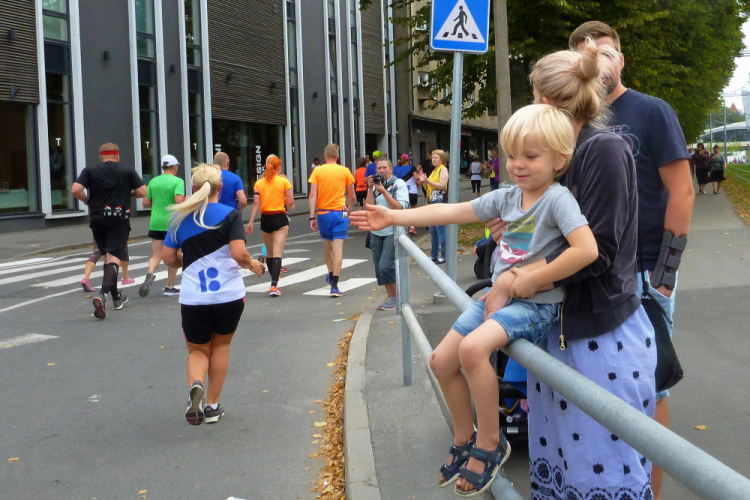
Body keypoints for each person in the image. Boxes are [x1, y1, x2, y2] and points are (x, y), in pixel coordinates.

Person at [353, 105, 599, 496]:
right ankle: (464, 436)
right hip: (496, 300)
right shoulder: (507, 197)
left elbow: (586, 250)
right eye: (511, 156)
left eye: (530, 156)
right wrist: (394, 218)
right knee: (440, 361)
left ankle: (490, 441)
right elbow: (451, 211)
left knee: (472, 350)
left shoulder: (558, 200)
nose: (518, 165)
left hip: (535, 306)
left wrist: (531, 278)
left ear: (559, 159)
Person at [481, 42, 657, 498]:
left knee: (602, 469)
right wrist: (512, 237)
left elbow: (599, 251)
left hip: (599, 337)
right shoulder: (559, 154)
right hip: (563, 329)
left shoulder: (602, 150)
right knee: (568, 467)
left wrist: (517, 279)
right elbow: (548, 238)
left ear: (543, 99)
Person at [570, 22, 695, 499]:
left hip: (643, 273)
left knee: (650, 387)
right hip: (585, 273)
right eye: (585, 54)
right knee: (597, 388)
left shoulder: (650, 111)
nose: (597, 62)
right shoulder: (569, 118)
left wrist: (665, 275)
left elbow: (682, 191)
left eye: (605, 52)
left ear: (621, 60)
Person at [162, 164, 265, 426]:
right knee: (221, 345)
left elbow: (169, 259)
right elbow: (239, 254)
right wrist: (251, 263)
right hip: (228, 296)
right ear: (220, 188)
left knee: (197, 349)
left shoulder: (179, 217)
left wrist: (189, 257)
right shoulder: (230, 215)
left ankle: (196, 385)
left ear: (193, 188)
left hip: (194, 297)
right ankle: (211, 406)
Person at [71, 143, 146, 319]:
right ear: (117, 156)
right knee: (114, 259)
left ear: (100, 156)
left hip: (97, 218)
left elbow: (75, 189)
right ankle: (102, 295)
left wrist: (88, 201)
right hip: (119, 219)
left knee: (107, 257)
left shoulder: (90, 170)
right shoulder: (127, 170)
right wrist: (129, 194)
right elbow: (143, 192)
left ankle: (117, 298)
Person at [308, 144, 356, 297]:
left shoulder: (317, 171)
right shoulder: (345, 171)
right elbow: (352, 196)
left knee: (327, 248)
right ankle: (334, 285)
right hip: (341, 213)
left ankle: (330, 275)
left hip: (324, 213)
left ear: (325, 156)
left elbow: (312, 194)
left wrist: (312, 216)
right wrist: (348, 210)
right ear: (337, 156)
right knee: (338, 249)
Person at [365, 157, 410, 311]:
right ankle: (392, 298)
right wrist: (370, 189)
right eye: (379, 168)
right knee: (379, 267)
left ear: (391, 169)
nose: (382, 171)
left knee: (386, 264)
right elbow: (369, 207)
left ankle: (397, 298)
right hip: (377, 230)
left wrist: (384, 192)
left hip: (393, 229)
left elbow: (400, 207)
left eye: (384, 167)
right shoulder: (375, 185)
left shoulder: (398, 184)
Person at [246, 155, 294, 297]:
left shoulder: (259, 183)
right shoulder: (284, 181)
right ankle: (274, 285)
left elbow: (256, 203)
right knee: (278, 252)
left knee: (270, 253)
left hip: (265, 218)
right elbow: (291, 202)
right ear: (279, 167)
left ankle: (274, 280)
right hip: (280, 217)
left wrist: (250, 222)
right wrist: (282, 198)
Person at [139, 154, 186, 297]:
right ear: (175, 167)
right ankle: (169, 286)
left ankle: (150, 273)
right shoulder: (178, 181)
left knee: (156, 255)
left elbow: (145, 203)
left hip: (156, 222)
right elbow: (178, 201)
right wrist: (188, 199)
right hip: (172, 223)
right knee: (173, 256)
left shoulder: (153, 181)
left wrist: (158, 202)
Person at [417, 150, 449, 264]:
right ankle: (434, 254)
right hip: (431, 200)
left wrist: (428, 181)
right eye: (432, 157)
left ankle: (444, 255)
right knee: (433, 230)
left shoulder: (443, 169)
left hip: (439, 200)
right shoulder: (434, 170)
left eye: (436, 157)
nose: (433, 159)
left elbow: (442, 185)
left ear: (442, 159)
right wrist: (424, 182)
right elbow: (427, 188)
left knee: (441, 229)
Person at [393, 154, 419, 234]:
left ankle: (403, 228)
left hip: (402, 191)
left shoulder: (397, 169)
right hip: (412, 191)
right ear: (409, 160)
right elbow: (417, 178)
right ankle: (412, 227)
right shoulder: (412, 168)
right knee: (413, 209)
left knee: (403, 209)